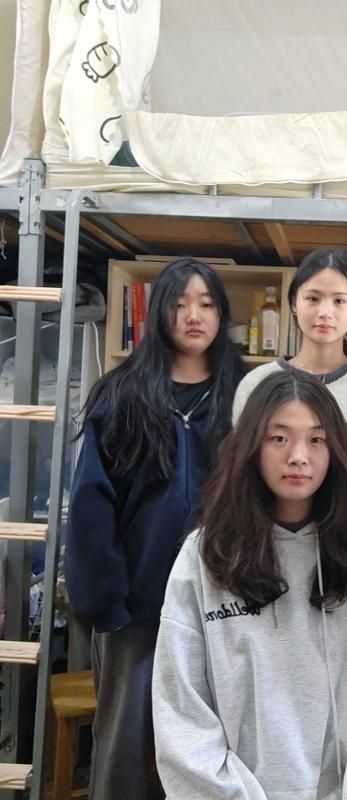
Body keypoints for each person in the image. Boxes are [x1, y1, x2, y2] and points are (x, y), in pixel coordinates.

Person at [152, 370, 347, 799]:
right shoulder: (205, 554)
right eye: (278, 438)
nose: (298, 456)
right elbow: (181, 714)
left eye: (316, 439)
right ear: (250, 445)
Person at [64, 257, 246, 800]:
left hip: (224, 605)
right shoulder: (121, 392)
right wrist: (107, 604)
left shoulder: (246, 395)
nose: (194, 315)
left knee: (216, 746)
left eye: (207, 304)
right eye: (180, 303)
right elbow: (91, 504)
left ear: (222, 314)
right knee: (125, 747)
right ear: (158, 313)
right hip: (135, 609)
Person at [233, 246, 347, 572]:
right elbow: (240, 482)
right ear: (294, 303)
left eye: (339, 301)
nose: (325, 312)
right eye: (313, 298)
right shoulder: (256, 385)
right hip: (269, 565)